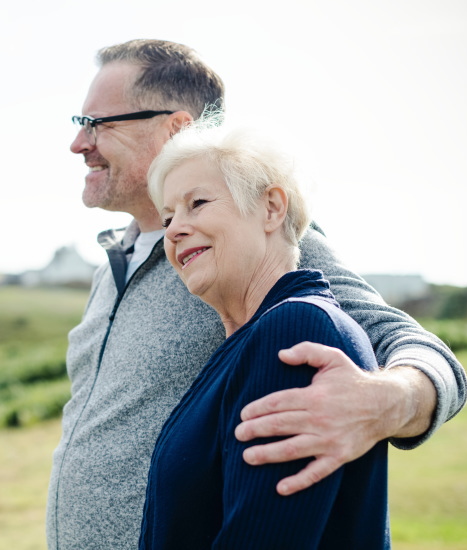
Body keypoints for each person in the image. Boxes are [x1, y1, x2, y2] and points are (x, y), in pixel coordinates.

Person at [46, 39, 467, 550]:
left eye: (98, 123)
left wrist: (389, 402)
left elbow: (406, 343)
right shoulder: (112, 265)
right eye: (78, 123)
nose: (79, 143)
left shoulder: (254, 240)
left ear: (177, 128)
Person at [139, 118, 388, 549]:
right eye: (167, 218)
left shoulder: (294, 331)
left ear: (272, 208)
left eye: (196, 203)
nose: (175, 229)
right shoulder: (249, 343)